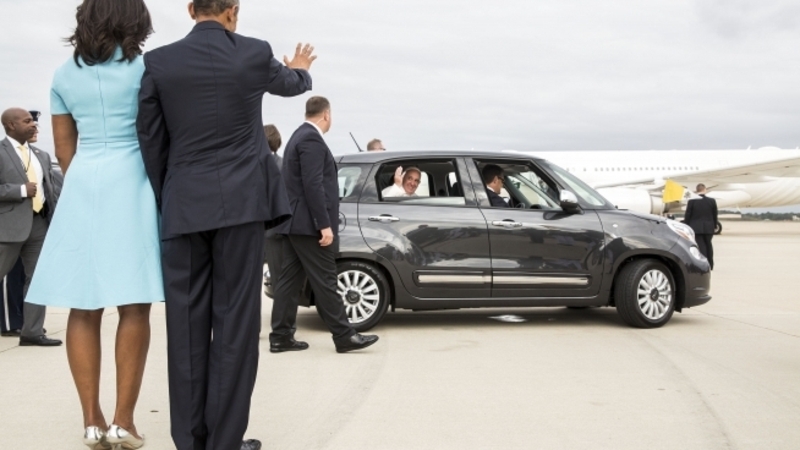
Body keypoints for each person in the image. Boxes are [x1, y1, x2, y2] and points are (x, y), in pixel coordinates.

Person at [136, 1, 314, 449]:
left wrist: (170, 193)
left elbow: (151, 138)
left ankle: (190, 441)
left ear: (190, 9)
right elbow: (293, 85)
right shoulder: (254, 53)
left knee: (185, 328)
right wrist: (301, 69)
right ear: (233, 10)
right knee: (235, 323)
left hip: (183, 206)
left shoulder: (158, 62)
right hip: (242, 207)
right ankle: (225, 440)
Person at [25, 1, 164, 448]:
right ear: (134, 21)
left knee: (83, 307)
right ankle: (124, 420)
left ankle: (91, 420)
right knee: (134, 303)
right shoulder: (147, 69)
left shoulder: (64, 75)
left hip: (85, 182)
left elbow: (64, 150)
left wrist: (88, 176)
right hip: (135, 182)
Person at [270, 96, 379, 354]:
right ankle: (344, 336)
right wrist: (324, 225)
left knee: (288, 281)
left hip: (295, 223)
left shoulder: (299, 135)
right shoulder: (311, 139)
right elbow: (313, 184)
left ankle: (281, 336)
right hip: (308, 225)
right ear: (326, 114)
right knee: (326, 279)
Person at [0, 108, 61, 348]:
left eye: (33, 122)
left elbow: (51, 191)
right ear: (10, 125)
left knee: (38, 281)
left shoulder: (42, 155)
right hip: (8, 227)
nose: (33, 125)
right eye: (27, 121)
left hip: (39, 225)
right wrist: (20, 190)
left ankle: (32, 332)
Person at [683, 183, 718, 269]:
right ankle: (711, 264)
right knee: (708, 245)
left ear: (696, 190)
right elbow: (715, 214)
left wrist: (686, 225)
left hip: (696, 227)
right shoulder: (712, 201)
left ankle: (703, 265)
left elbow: (688, 215)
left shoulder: (692, 201)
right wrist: (715, 225)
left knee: (700, 245)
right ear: (705, 190)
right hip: (709, 227)